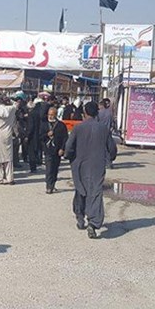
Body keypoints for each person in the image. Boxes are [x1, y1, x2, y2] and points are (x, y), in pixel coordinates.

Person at [64, 101, 118, 239]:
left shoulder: (78, 128)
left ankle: (80, 217)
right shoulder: (103, 129)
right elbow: (112, 148)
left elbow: (69, 146)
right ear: (96, 113)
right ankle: (93, 223)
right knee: (95, 192)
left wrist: (67, 155)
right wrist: (110, 158)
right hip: (97, 165)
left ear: (85, 113)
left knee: (81, 190)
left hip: (79, 164)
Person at [41, 106, 68, 193]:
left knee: (55, 169)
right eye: (49, 114)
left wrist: (62, 149)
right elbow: (40, 137)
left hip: (57, 150)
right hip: (48, 150)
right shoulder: (44, 124)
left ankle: (53, 184)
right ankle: (49, 186)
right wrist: (46, 135)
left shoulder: (61, 125)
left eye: (52, 115)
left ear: (56, 115)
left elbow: (65, 138)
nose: (50, 116)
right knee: (49, 169)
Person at [27, 93, 50, 173]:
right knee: (39, 148)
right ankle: (39, 161)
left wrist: (27, 135)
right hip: (40, 132)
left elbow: (31, 126)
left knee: (31, 151)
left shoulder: (32, 113)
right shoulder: (41, 113)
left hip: (33, 135)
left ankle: (33, 167)